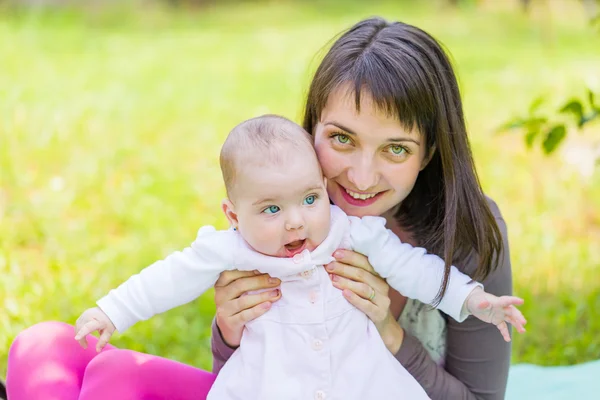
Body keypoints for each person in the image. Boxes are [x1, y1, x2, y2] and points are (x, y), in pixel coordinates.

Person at [7, 17, 515, 400]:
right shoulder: (281, 196)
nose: (360, 178)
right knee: (45, 347)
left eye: (396, 149)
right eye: (341, 139)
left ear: (429, 151)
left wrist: (389, 333)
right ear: (311, 128)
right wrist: (230, 330)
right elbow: (247, 368)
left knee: (112, 375)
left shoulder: (467, 232)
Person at [71, 115, 524, 400]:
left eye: (310, 199)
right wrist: (114, 309)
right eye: (272, 209)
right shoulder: (231, 247)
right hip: (272, 384)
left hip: (360, 384)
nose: (295, 222)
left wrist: (472, 300)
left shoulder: (349, 230)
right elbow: (168, 278)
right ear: (233, 214)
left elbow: (416, 269)